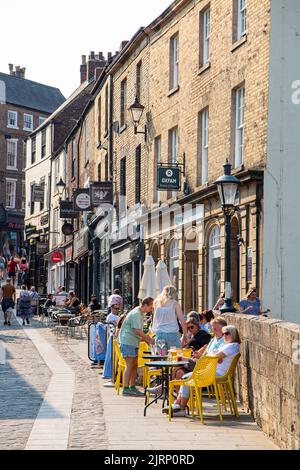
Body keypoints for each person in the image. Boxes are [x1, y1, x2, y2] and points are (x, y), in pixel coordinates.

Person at [167, 324, 241, 416]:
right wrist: (215, 355)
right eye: (223, 334)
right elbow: (214, 357)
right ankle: (178, 405)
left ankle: (181, 408)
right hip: (212, 371)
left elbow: (213, 357)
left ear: (233, 334)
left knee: (186, 377)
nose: (224, 336)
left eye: (227, 333)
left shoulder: (232, 345)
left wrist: (215, 355)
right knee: (184, 375)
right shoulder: (228, 345)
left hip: (216, 373)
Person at [119, 298, 155, 396]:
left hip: (132, 342)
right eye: (151, 307)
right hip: (128, 341)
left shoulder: (139, 313)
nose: (151, 309)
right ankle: (126, 388)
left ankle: (132, 387)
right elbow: (136, 330)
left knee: (134, 365)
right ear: (146, 305)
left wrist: (145, 339)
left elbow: (137, 331)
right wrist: (148, 339)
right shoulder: (136, 314)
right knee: (130, 365)